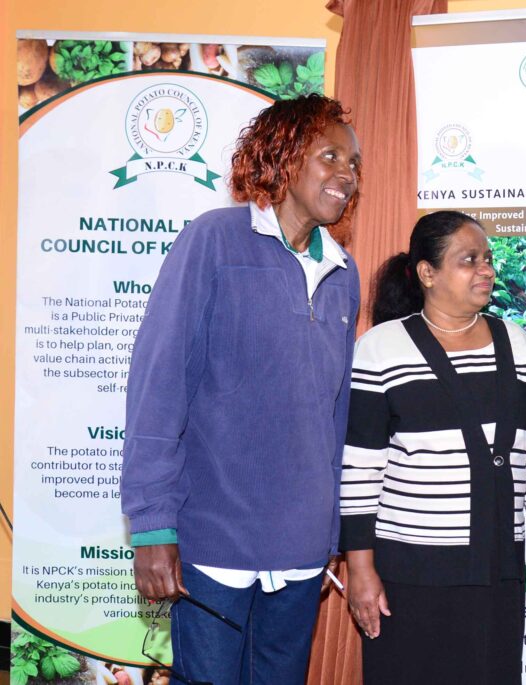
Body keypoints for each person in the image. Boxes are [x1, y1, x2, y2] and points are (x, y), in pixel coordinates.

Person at [120, 94, 362, 683]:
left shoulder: (344, 272)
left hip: (302, 549)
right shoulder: (214, 241)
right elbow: (159, 386)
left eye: (353, 163)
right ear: (281, 156)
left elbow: (336, 417)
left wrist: (331, 530)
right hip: (213, 540)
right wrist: (152, 528)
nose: (346, 175)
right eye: (329, 155)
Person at [339, 210, 526, 685]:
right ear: (428, 273)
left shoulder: (520, 346)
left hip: (495, 570)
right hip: (408, 573)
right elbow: (360, 468)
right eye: (469, 260)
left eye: (487, 259)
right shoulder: (380, 349)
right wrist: (360, 569)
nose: (486, 270)